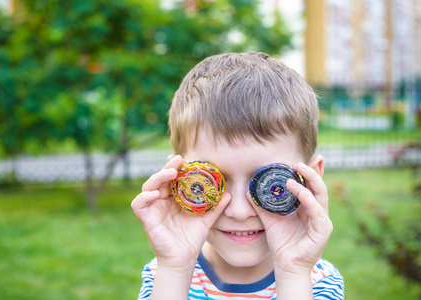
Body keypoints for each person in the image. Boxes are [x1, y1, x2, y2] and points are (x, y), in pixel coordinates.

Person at [131, 51, 344, 300]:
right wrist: (176, 268)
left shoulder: (316, 282)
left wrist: (293, 270)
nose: (240, 212)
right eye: (208, 182)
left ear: (310, 180)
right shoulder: (165, 274)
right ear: (175, 180)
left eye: (271, 184)